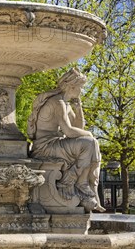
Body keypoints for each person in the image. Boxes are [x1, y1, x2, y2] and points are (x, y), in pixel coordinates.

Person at [27, 68, 105, 212]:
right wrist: (90, 135)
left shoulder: (65, 103)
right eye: (81, 87)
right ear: (72, 86)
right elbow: (69, 132)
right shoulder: (58, 102)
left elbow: (77, 127)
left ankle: (81, 182)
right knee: (90, 143)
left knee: (90, 143)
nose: (81, 91)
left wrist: (78, 108)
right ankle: (73, 182)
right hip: (45, 147)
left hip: (55, 143)